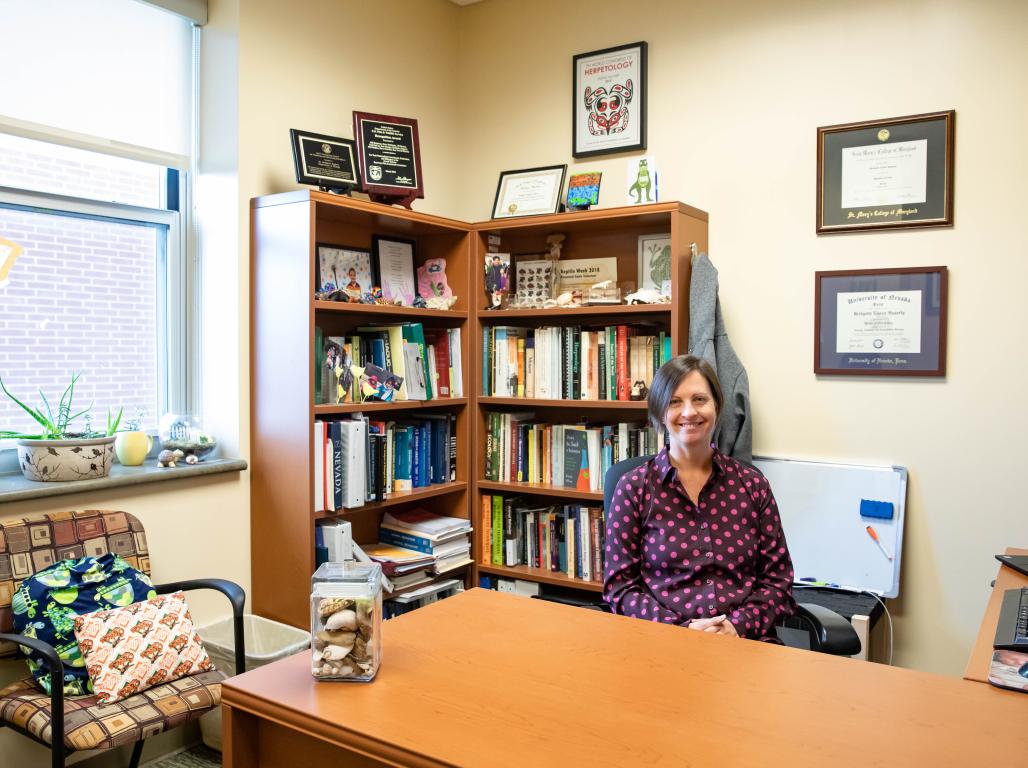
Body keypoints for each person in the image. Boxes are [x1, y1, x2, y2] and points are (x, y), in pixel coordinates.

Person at [603, 354, 797, 641]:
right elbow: (620, 588)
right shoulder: (634, 488)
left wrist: (737, 626)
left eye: (699, 399)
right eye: (674, 402)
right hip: (664, 644)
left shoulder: (753, 486)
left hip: (746, 645)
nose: (689, 412)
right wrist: (682, 631)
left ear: (717, 406)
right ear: (659, 413)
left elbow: (777, 581)